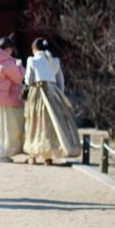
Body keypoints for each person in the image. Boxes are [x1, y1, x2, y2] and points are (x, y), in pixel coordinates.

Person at [23, 37, 81, 165]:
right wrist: (59, 94)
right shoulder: (55, 61)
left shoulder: (32, 60)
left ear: (34, 49)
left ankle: (33, 154)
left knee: (35, 123)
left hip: (38, 92)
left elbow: (28, 79)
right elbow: (61, 80)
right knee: (51, 124)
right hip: (53, 93)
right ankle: (48, 156)